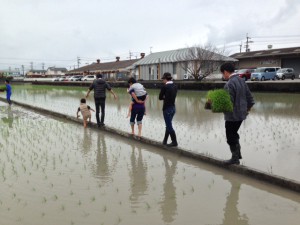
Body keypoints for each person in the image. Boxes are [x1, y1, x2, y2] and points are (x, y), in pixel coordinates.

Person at [221, 62, 255, 165]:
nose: (223, 76)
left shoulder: (229, 84)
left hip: (232, 116)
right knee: (234, 134)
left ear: (226, 72)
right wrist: (247, 110)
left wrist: (215, 106)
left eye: (223, 73)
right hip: (241, 115)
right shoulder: (242, 80)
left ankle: (235, 158)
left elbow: (228, 103)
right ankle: (237, 155)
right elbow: (250, 98)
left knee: (230, 136)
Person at [159, 72, 178, 147]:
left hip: (167, 109)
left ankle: (174, 142)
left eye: (163, 79)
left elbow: (160, 97)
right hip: (173, 108)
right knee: (168, 125)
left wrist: (165, 98)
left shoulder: (165, 87)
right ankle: (165, 141)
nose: (162, 81)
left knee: (169, 126)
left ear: (166, 79)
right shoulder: (175, 86)